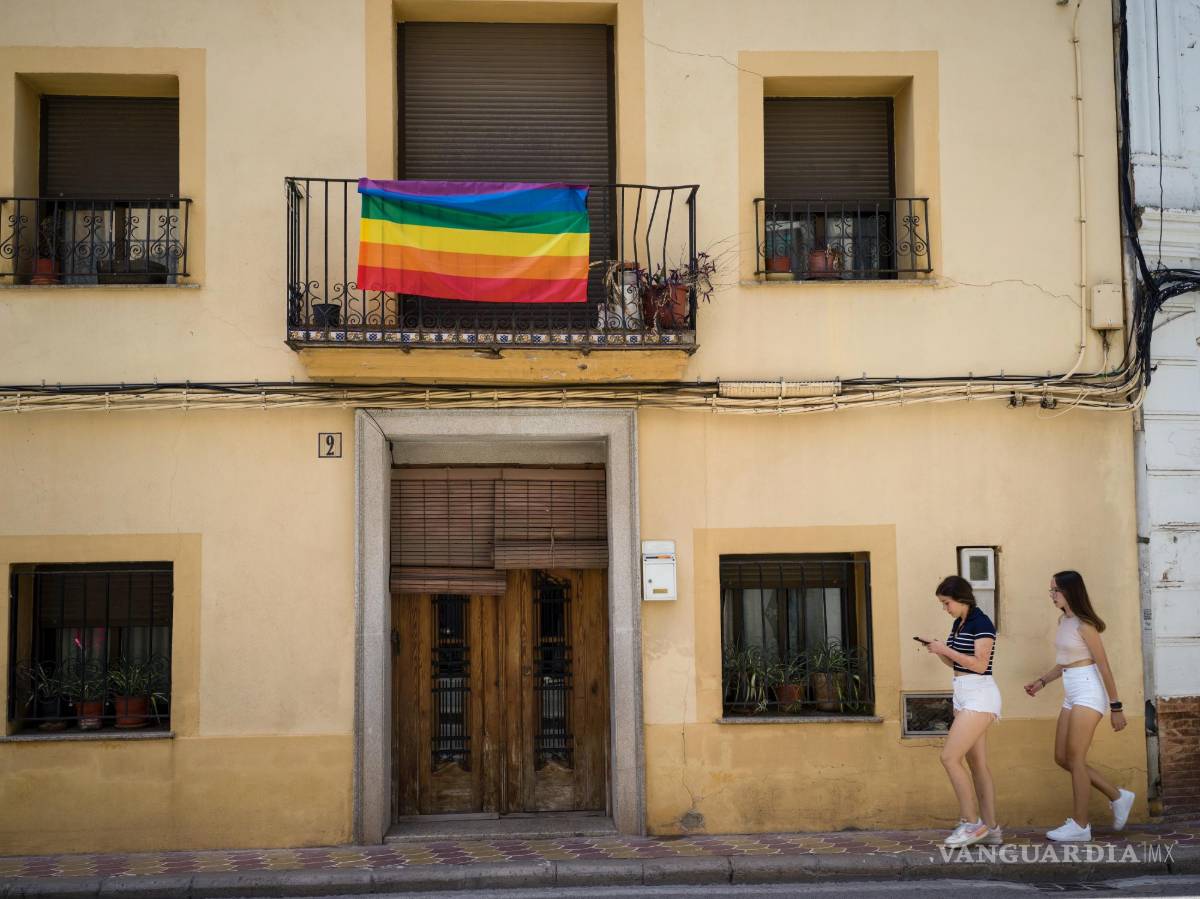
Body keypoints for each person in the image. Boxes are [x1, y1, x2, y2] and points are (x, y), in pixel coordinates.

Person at [1024, 570, 1135, 842]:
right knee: (1062, 758)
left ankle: (1080, 825)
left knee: (1075, 759)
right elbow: (1064, 662)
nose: (1051, 595)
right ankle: (1117, 795)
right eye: (1050, 591)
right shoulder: (1064, 620)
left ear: (1070, 591)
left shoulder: (1085, 625)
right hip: (1071, 689)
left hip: (1088, 689)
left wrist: (1116, 707)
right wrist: (1042, 681)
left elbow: (1104, 667)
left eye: (1055, 591)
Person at [923, 575, 1002, 848]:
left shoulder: (981, 623)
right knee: (976, 764)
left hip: (980, 695)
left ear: (961, 598)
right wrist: (938, 650)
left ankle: (971, 823)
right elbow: (956, 663)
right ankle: (991, 829)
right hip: (963, 693)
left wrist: (946, 650)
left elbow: (980, 665)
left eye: (946, 603)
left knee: (949, 757)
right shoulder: (960, 623)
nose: (945, 609)